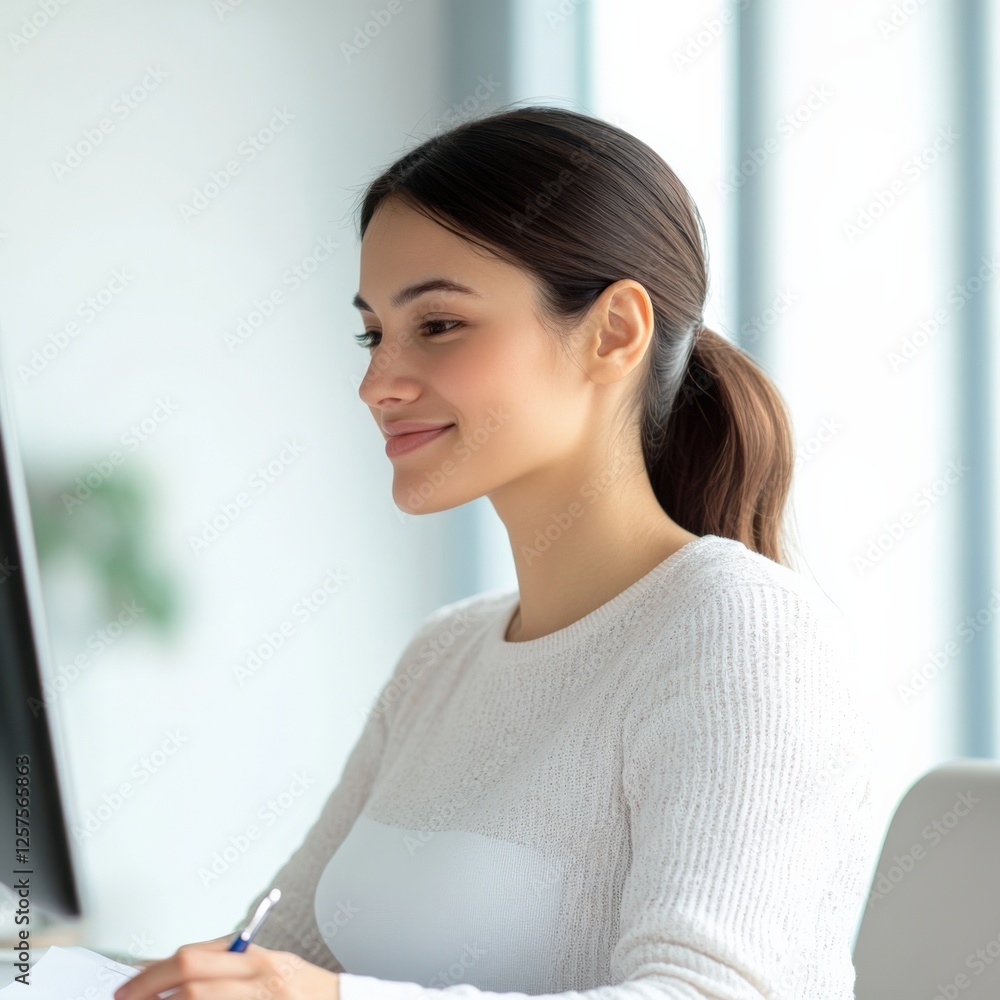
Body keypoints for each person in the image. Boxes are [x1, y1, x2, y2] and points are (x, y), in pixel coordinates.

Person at [115, 104, 874, 1000]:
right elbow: (279, 957)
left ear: (615, 332)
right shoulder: (444, 656)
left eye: (437, 325)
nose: (376, 384)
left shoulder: (740, 630)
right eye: (372, 334)